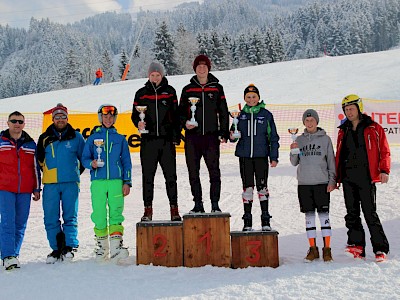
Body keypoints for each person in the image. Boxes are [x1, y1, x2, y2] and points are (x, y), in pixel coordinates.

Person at [336, 94, 390, 262]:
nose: (349, 112)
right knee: (351, 213)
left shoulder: (373, 127)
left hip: (366, 177)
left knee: (370, 213)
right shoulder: (343, 130)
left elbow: (384, 150)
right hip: (347, 177)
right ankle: (356, 246)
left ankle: (380, 249)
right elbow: (339, 154)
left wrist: (384, 170)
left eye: (351, 109)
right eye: (346, 109)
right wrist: (337, 176)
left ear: (359, 108)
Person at [179, 54, 229, 213]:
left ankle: (215, 204)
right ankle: (198, 204)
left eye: (204, 66)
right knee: (193, 172)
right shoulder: (187, 89)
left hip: (211, 137)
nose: (201, 68)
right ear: (195, 69)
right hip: (192, 138)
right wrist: (184, 124)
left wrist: (224, 131)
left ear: (208, 68)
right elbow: (180, 113)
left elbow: (223, 111)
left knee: (214, 171)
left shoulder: (217, 88)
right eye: (198, 66)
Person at [131, 62, 181, 222]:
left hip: (166, 141)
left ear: (162, 75)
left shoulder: (170, 92)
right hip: (148, 140)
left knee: (171, 177)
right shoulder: (141, 93)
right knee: (148, 177)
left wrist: (175, 136)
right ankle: (147, 210)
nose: (155, 78)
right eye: (152, 75)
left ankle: (174, 209)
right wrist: (138, 124)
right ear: (148, 75)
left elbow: (176, 116)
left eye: (157, 75)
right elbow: (134, 115)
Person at [82, 104, 132, 263]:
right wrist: (92, 164)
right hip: (98, 181)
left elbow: (126, 162)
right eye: (105, 116)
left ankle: (116, 247)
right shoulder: (92, 138)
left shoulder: (120, 138)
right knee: (98, 213)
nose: (108, 119)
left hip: (116, 181)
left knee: (116, 211)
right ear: (100, 118)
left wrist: (127, 181)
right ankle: (102, 247)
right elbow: (84, 158)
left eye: (111, 117)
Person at [37, 103, 85, 264]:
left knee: (70, 215)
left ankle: (69, 246)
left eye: (63, 116)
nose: (60, 119)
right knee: (50, 217)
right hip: (50, 184)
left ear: (67, 118)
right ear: (53, 119)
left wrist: (75, 173)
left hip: (70, 182)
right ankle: (56, 248)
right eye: (57, 117)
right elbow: (38, 160)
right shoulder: (44, 137)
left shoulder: (76, 137)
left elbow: (83, 158)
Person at [230, 84, 279, 232]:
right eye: (248, 97)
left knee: (262, 187)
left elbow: (273, 137)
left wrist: (274, 156)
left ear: (258, 98)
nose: (251, 99)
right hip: (245, 157)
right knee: (247, 187)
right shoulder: (240, 115)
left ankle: (265, 217)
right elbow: (233, 135)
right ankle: (247, 219)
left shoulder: (266, 114)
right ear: (244, 98)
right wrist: (232, 135)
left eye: (254, 97)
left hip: (261, 156)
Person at [290, 109, 336, 262]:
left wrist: (332, 180)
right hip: (304, 184)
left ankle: (327, 249)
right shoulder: (299, 139)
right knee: (309, 217)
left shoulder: (325, 139)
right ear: (304, 122)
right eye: (307, 120)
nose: (309, 123)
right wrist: (293, 150)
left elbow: (331, 161)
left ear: (317, 121)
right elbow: (294, 162)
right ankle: (313, 249)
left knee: (324, 217)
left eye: (312, 120)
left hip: (321, 183)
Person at [0, 111, 41, 270]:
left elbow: (35, 168)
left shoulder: (30, 144)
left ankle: (14, 254)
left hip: (24, 189)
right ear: (8, 123)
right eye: (14, 121)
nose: (17, 124)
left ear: (24, 124)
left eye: (20, 121)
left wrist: (37, 188)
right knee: (8, 221)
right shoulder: (1, 142)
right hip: (5, 188)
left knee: (20, 223)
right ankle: (8, 255)